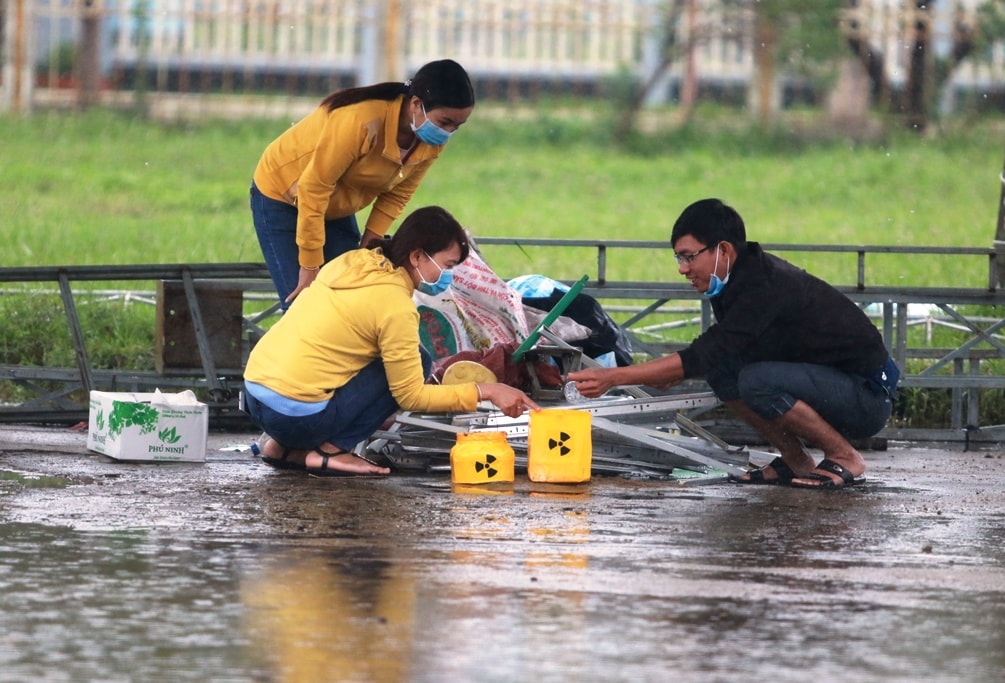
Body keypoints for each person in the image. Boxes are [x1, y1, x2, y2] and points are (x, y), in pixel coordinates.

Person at [567, 198, 898, 489]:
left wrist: (613, 378)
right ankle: (796, 461)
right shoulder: (735, 280)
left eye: (688, 257)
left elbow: (711, 348)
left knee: (757, 382)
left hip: (865, 396)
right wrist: (673, 371)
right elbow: (724, 352)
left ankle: (845, 456)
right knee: (724, 372)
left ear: (723, 250)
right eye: (678, 259)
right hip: (827, 386)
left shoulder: (764, 286)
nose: (683, 269)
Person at [243, 205, 540, 477]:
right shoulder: (395, 306)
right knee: (419, 361)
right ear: (417, 256)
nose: (448, 276)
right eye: (447, 265)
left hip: (254, 396)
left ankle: (280, 447)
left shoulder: (352, 262)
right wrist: (487, 390)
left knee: (363, 361)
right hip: (294, 418)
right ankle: (329, 452)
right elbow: (410, 397)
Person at [251, 59, 475, 310]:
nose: (448, 133)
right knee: (305, 304)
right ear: (416, 104)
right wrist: (310, 266)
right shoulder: (360, 121)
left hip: (335, 204)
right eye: (445, 122)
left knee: (354, 298)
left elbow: (398, 195)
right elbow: (314, 188)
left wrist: (368, 250)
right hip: (284, 194)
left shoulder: (431, 139)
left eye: (457, 126)